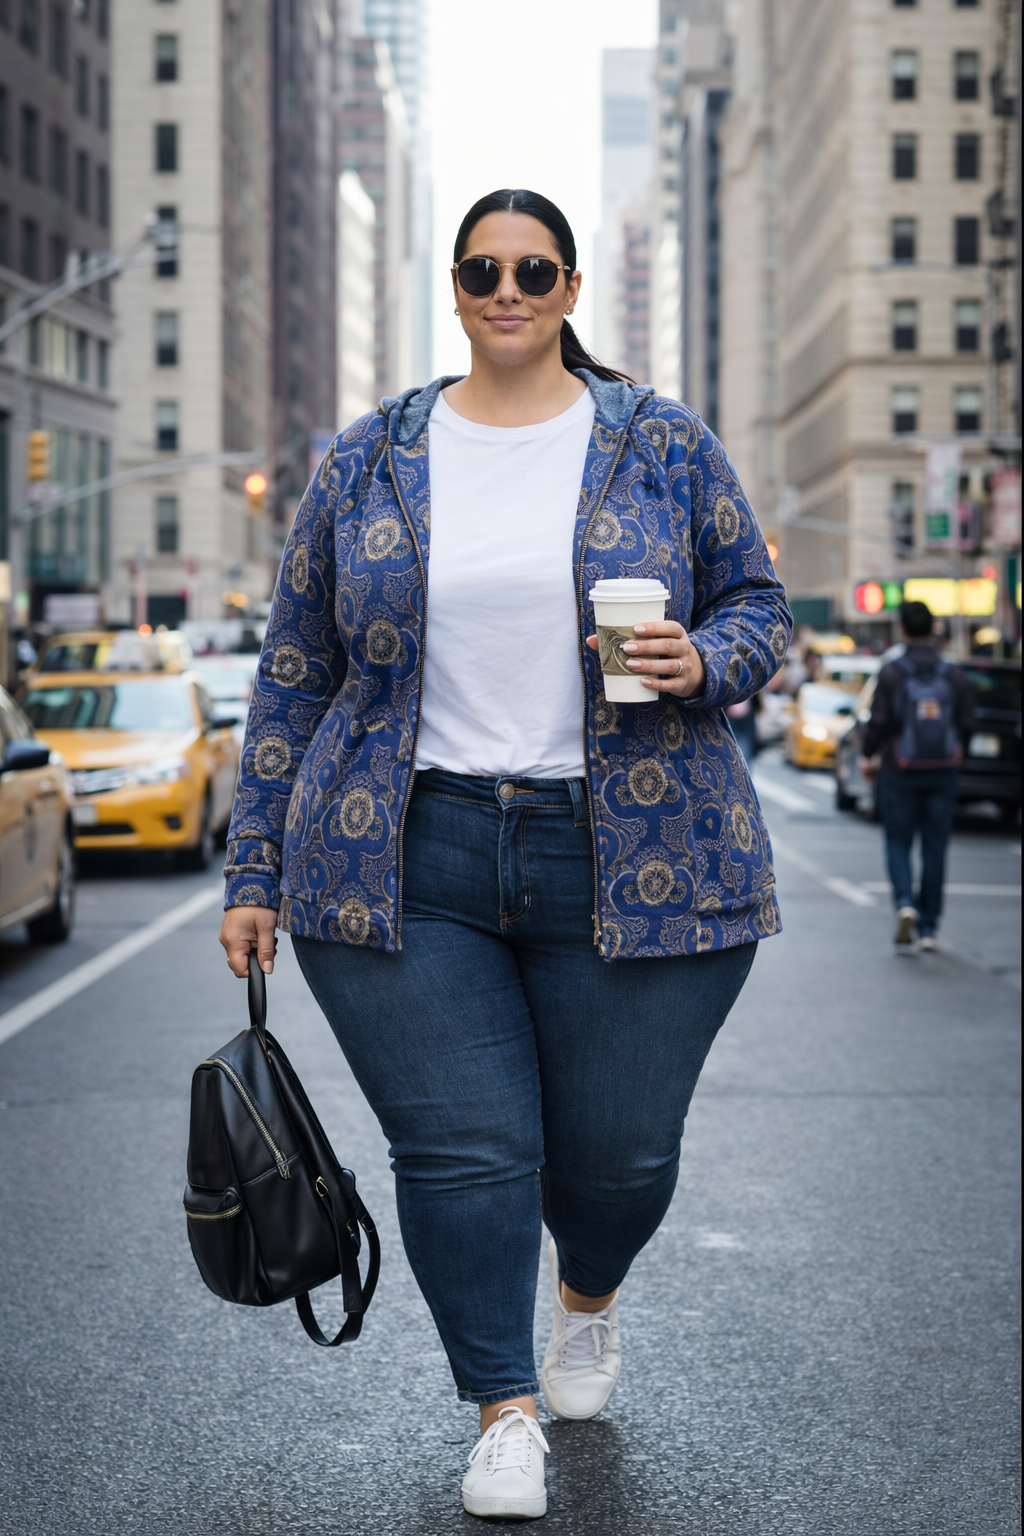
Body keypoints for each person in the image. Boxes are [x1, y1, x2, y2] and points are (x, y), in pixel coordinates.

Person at [219, 188, 791, 1522]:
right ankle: (502, 1410)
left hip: (638, 850)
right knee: (465, 1151)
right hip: (406, 851)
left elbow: (758, 601)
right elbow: (296, 668)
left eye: (534, 268)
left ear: (572, 288)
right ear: (459, 289)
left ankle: (585, 1301)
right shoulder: (369, 457)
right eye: (483, 268)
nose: (508, 287)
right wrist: (254, 869)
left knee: (619, 1159)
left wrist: (706, 657)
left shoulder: (661, 441)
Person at [859, 600, 974, 953]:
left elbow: (878, 722)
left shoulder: (893, 672)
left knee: (898, 841)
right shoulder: (952, 674)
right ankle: (928, 928)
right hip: (943, 771)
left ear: (902, 630)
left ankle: (905, 903)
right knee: (935, 848)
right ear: (934, 628)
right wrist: (957, 753)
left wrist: (867, 756)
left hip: (901, 769)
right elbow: (968, 722)